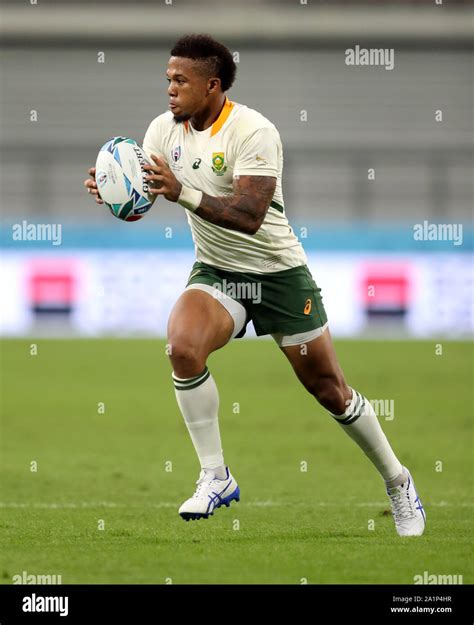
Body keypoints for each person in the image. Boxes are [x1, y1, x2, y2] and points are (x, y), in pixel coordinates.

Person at [84, 33, 425, 536]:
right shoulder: (162, 131)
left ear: (212, 85)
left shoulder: (254, 131)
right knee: (181, 347)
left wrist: (184, 193)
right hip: (219, 273)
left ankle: (398, 482)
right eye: (167, 80)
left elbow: (248, 215)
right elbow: (148, 201)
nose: (170, 90)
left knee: (330, 390)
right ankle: (215, 475)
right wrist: (118, 192)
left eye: (181, 81)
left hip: (278, 275)